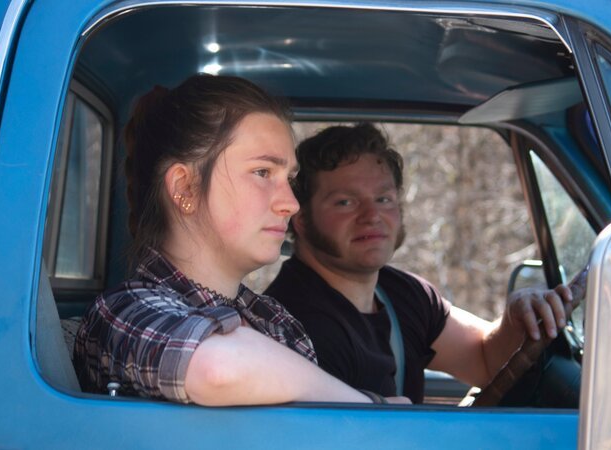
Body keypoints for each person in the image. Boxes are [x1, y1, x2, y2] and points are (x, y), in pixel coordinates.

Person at [74, 76, 403, 406]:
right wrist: (374, 408)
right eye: (263, 173)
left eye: (288, 179)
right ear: (184, 187)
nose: (291, 202)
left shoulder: (275, 319)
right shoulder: (124, 311)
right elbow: (217, 369)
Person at [264, 123, 574, 404]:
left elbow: (483, 360)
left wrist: (517, 315)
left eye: (383, 199)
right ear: (301, 220)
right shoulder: (292, 325)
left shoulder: (402, 292)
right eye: (346, 202)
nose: (372, 216)